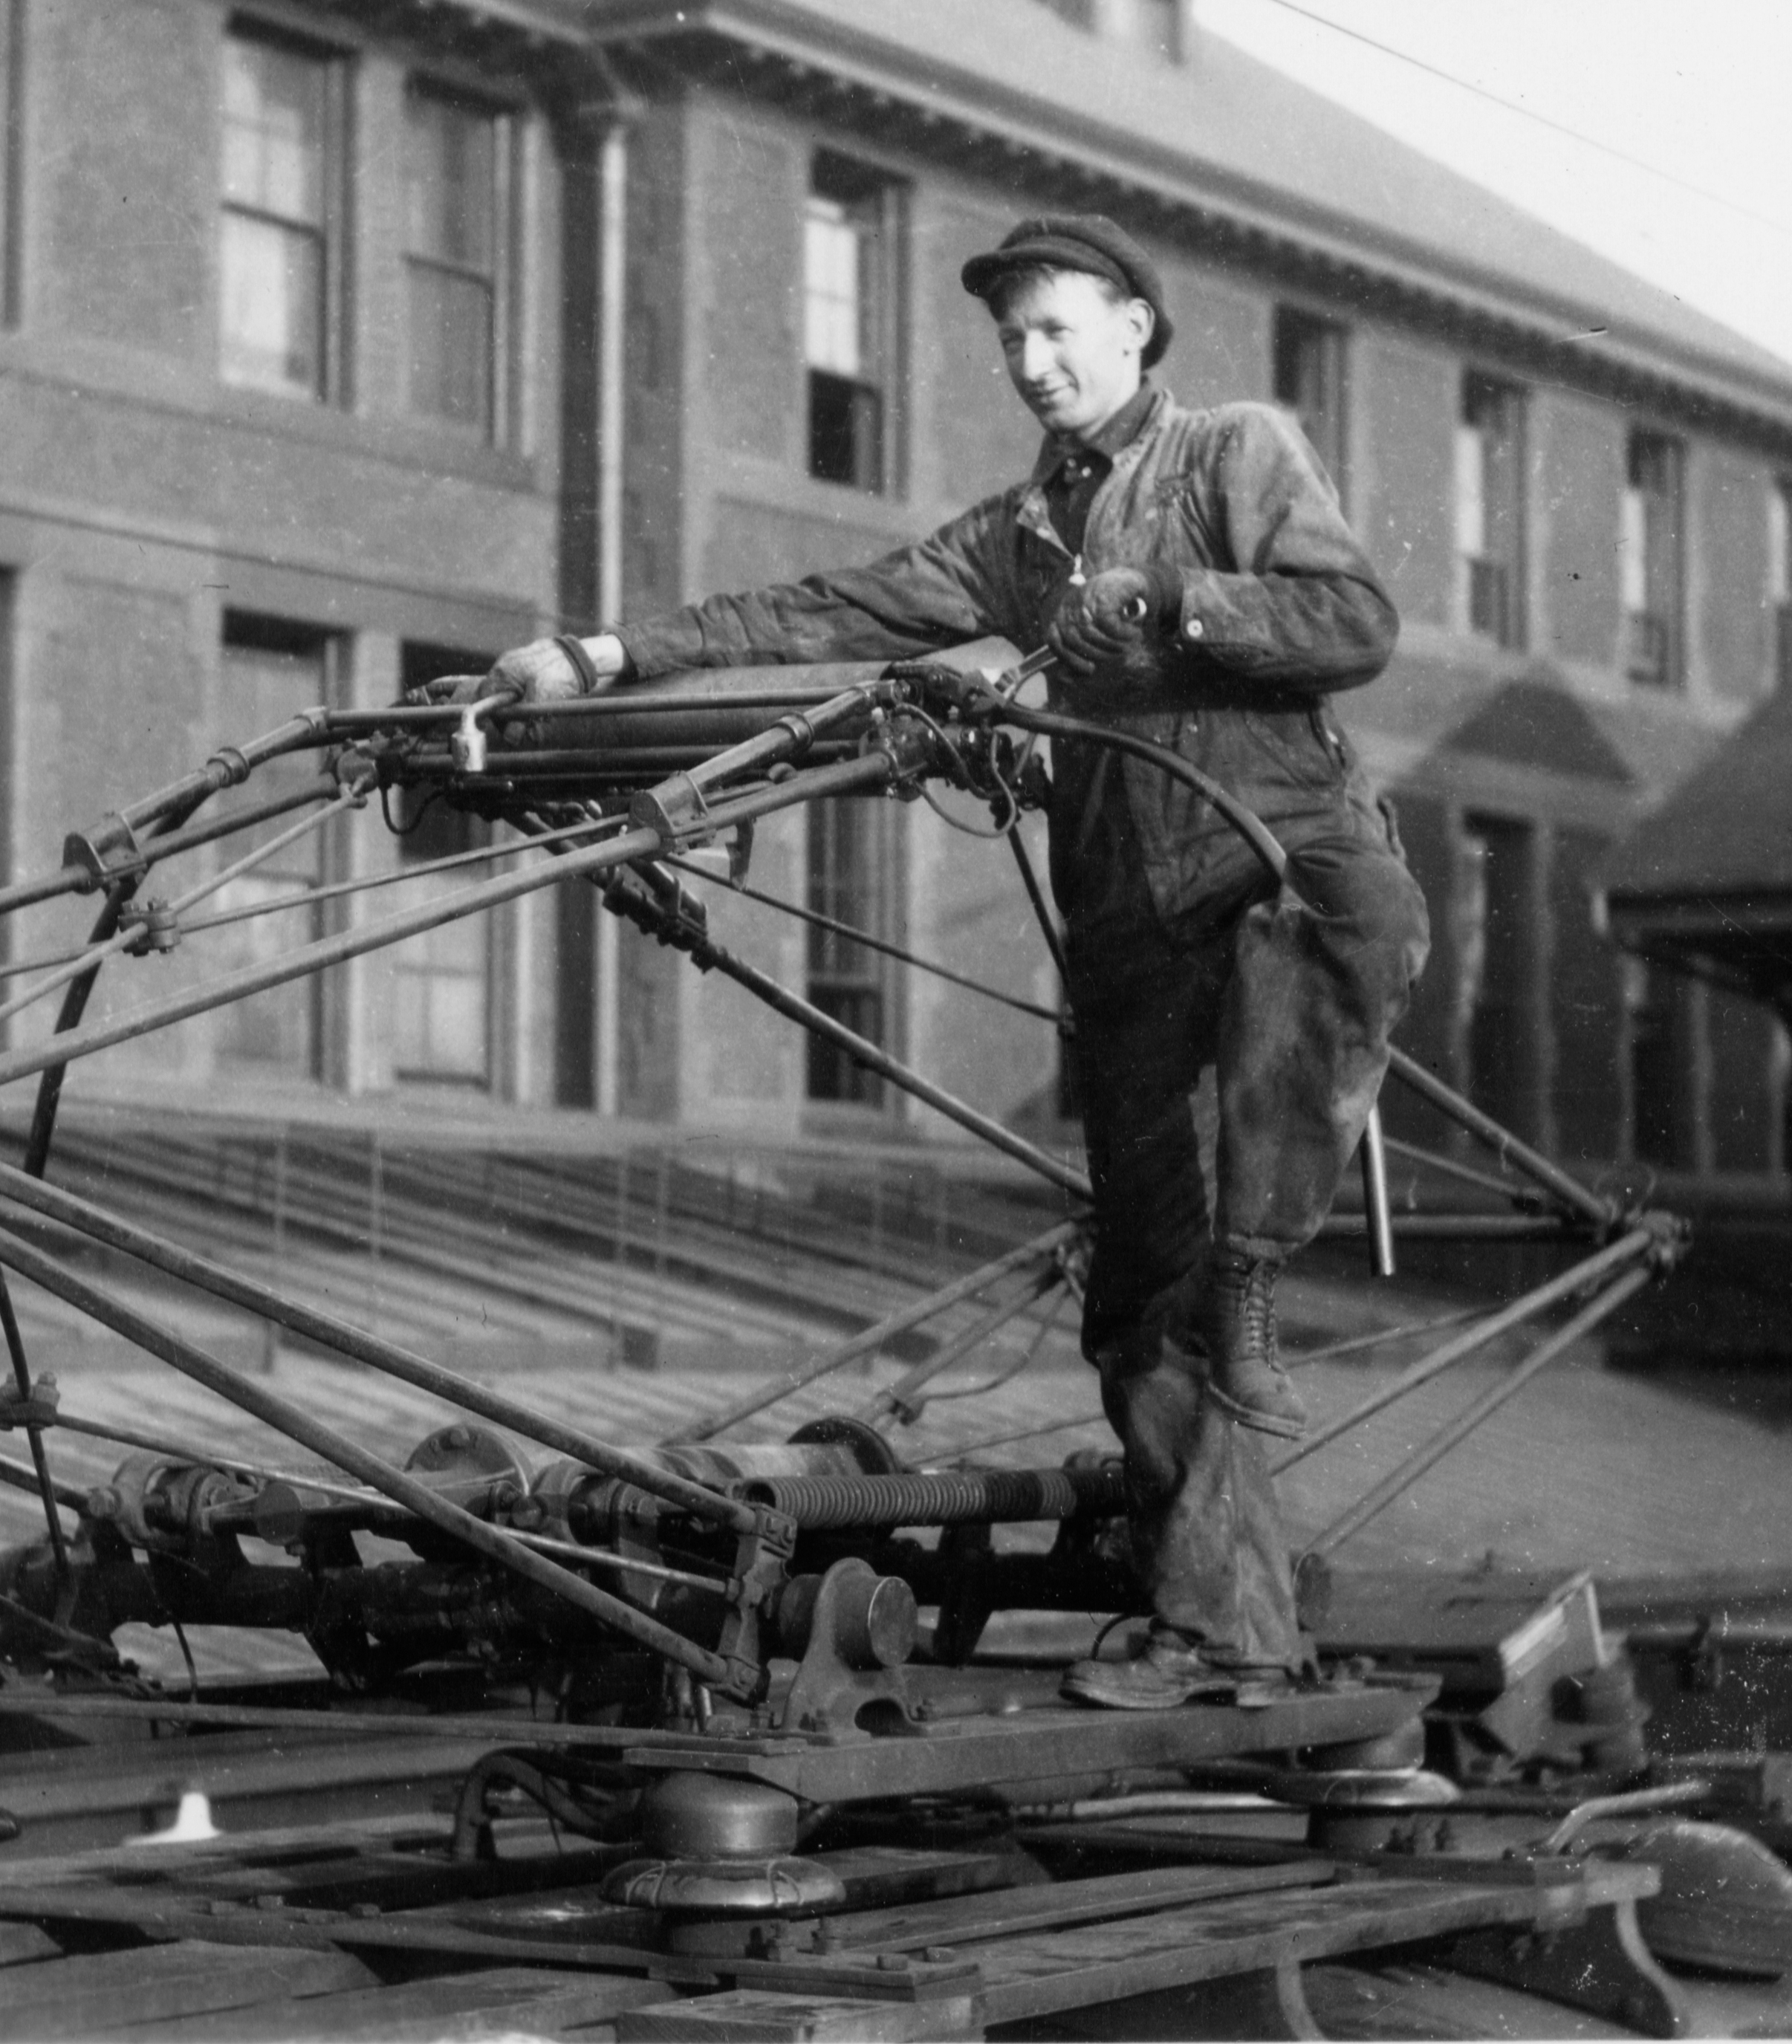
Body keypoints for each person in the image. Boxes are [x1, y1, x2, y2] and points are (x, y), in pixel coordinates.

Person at [481, 214, 1429, 1709]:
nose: (1032, 363)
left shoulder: (1233, 452)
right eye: (1009, 341)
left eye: (1057, 330)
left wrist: (1178, 600)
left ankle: (1243, 1361)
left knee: (1264, 1147)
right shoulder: (1020, 536)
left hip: (1276, 877)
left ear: (1134, 326)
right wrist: (605, 659)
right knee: (1138, 1302)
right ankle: (1234, 1633)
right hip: (1133, 932)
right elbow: (829, 608)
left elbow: (1355, 621)